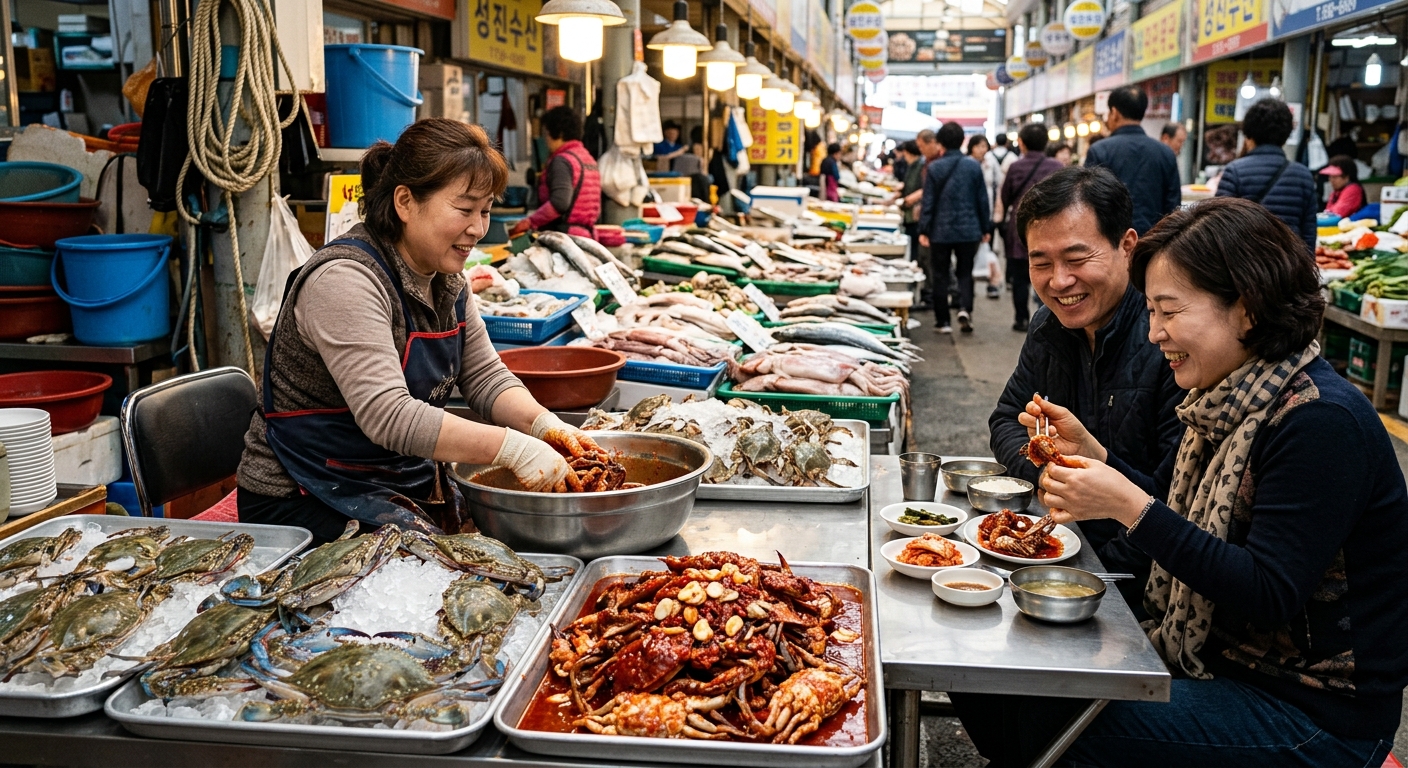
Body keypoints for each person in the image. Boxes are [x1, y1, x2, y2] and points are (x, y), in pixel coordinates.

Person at [1024, 197, 1408, 767]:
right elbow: (1178, 517)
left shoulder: (1320, 421)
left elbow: (1268, 590)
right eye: (1150, 311)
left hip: (1312, 713)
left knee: (1058, 721)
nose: (1154, 333)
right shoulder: (1224, 400)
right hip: (1225, 663)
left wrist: (1131, 508)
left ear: (1247, 310)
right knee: (1027, 678)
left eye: (1170, 311)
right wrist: (1099, 457)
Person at [237, 119, 602, 544]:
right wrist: (512, 448)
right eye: (464, 209)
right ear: (405, 202)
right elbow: (388, 416)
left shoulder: (447, 279)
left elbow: (486, 378)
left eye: (485, 210)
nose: (478, 228)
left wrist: (547, 428)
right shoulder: (345, 281)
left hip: (393, 482)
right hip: (303, 499)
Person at [988, 166, 1183, 577]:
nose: (1059, 281)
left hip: (1143, 575)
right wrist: (1050, 472)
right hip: (1067, 546)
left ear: (1127, 245)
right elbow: (1006, 418)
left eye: (1077, 258)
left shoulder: (1168, 343)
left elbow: (1178, 500)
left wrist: (1101, 575)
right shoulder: (1048, 326)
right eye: (1041, 262)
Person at [1214, 98, 1316, 255]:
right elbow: (1309, 235)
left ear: (1249, 134)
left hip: (1247, 267)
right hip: (1289, 267)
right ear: (1286, 134)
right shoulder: (1303, 176)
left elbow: (1217, 229)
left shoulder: (1234, 172)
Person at [918, 122, 991, 334]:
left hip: (941, 230)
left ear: (940, 142)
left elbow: (928, 202)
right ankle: (965, 309)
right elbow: (982, 200)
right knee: (965, 272)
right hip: (969, 230)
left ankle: (943, 322)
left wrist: (924, 229)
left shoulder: (934, 167)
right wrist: (985, 227)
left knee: (940, 274)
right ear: (962, 141)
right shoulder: (973, 166)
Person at [1084, 85, 1181, 234]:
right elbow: (1173, 206)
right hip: (1153, 242)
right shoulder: (1165, 153)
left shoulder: (1099, 150)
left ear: (1114, 113)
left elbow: (1089, 204)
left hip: (1112, 241)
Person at [997, 122, 1065, 331]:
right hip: (1054, 232)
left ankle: (1021, 318)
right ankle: (1048, 319)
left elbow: (1005, 197)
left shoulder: (1015, 167)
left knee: (1020, 279)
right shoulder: (1057, 167)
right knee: (1050, 275)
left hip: (1021, 232)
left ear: (1022, 143)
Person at [510, 106, 601, 239]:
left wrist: (530, 221)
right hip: (587, 236)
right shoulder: (588, 159)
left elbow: (560, 202)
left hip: (565, 238)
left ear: (558, 133)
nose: (545, 140)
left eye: (545, 134)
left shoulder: (562, 161)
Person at [968, 134, 1005, 300]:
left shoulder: (991, 163)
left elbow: (1000, 186)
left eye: (984, 146)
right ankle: (969, 284)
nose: (982, 150)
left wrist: (998, 210)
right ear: (971, 147)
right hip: (970, 213)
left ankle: (992, 283)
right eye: (978, 146)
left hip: (988, 211)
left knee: (987, 246)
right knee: (970, 251)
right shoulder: (967, 163)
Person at [1322, 154, 1367, 218]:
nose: (1331, 180)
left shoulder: (1353, 189)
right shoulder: (1335, 192)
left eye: (1335, 177)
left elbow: (1337, 214)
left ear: (1347, 177)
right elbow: (1327, 213)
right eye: (1330, 177)